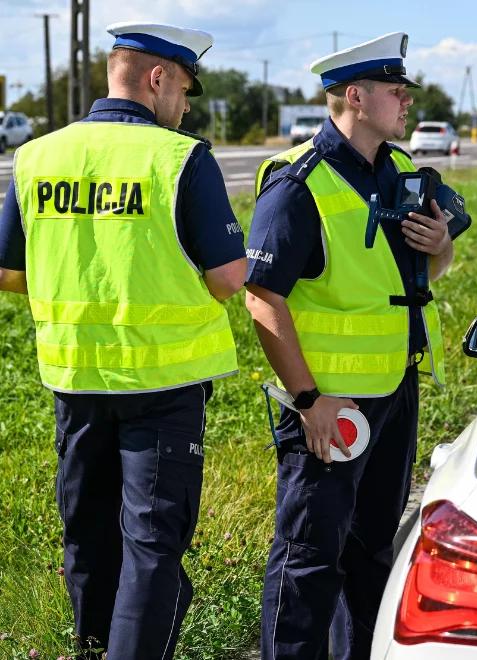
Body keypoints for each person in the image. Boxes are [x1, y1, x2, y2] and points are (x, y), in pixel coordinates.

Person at [0, 22, 246, 659]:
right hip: (162, 385)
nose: (185, 105)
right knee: (152, 544)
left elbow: (8, 273)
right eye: (185, 89)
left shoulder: (37, 158)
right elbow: (226, 280)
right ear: (158, 78)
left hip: (74, 379)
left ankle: (91, 648)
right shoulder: (179, 157)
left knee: (86, 534)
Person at [244, 31, 453, 659]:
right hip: (328, 404)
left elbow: (423, 275)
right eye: (397, 90)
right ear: (356, 98)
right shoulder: (298, 183)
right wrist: (309, 400)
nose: (408, 100)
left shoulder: (403, 173)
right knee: (310, 555)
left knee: (371, 551)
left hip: (392, 390)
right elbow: (262, 298)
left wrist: (439, 244)